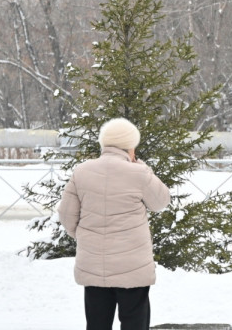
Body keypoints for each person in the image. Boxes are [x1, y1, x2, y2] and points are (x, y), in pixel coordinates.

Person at [59, 117, 171, 330]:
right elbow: (161, 202)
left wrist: (84, 236)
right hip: (133, 267)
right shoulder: (139, 173)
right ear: (130, 146)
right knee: (134, 323)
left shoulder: (81, 172)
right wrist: (142, 167)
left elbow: (66, 215)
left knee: (97, 324)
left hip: (93, 265)